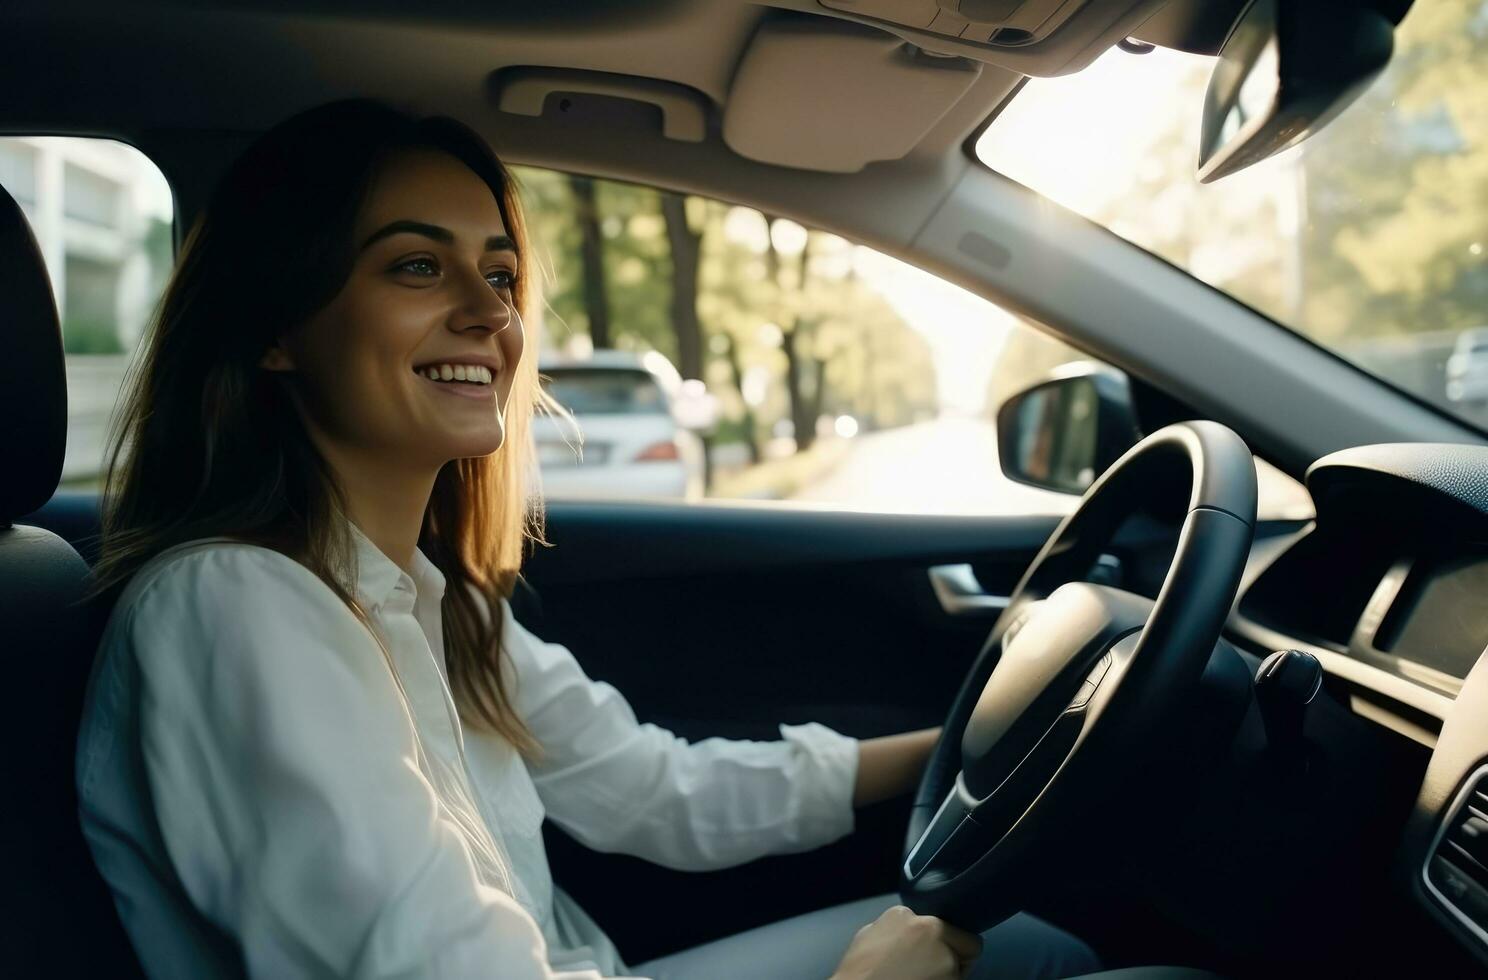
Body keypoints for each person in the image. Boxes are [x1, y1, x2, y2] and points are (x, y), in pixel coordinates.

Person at [74, 100, 1100, 980]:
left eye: (502, 274)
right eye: (419, 266)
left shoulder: (433, 599)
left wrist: (968, 741)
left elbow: (657, 790)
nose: (490, 313)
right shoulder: (234, 608)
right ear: (277, 329)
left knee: (1034, 944)